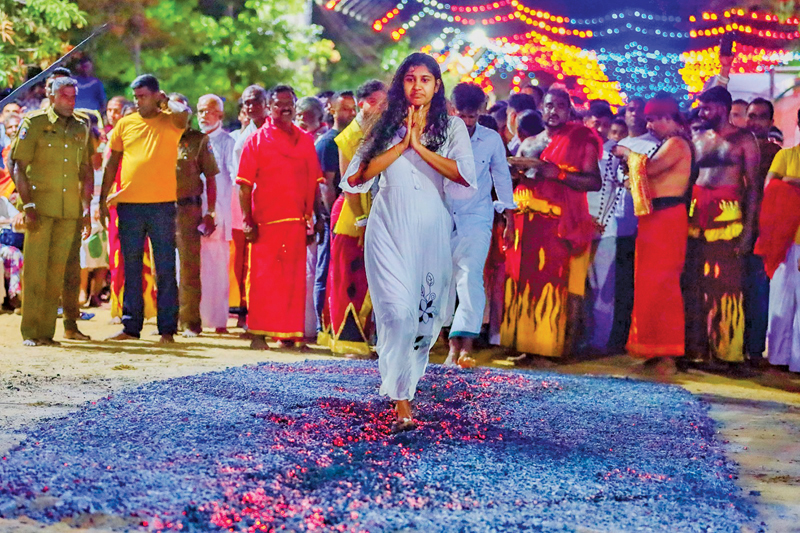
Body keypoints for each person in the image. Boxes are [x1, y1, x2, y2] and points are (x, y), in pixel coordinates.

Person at [341, 53, 476, 431]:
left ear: (436, 85)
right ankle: (402, 404)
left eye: (426, 79)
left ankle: (405, 386)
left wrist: (421, 149)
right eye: (410, 78)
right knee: (396, 313)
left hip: (430, 228)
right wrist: (401, 145)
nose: (417, 86)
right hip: (388, 225)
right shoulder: (384, 125)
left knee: (420, 319)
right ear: (401, 83)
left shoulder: (452, 128)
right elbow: (357, 176)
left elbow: (464, 175)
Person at [504, 88, 601, 363]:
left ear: (569, 111)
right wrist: (514, 171)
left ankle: (550, 349)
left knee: (554, 286)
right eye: (548, 105)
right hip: (527, 222)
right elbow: (515, 180)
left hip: (558, 223)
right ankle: (528, 347)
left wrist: (556, 173)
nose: (553, 111)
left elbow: (594, 181)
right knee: (526, 284)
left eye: (560, 106)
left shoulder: (581, 139)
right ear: (541, 108)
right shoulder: (530, 142)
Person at [100, 74, 190, 344]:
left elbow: (185, 114)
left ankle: (166, 329)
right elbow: (111, 163)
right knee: (131, 266)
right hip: (129, 206)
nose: (138, 102)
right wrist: (102, 198)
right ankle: (131, 326)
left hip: (162, 205)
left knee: (164, 268)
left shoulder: (171, 121)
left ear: (156, 95)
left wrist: (167, 101)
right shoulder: (125, 124)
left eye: (143, 96)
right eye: (136, 97)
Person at [236, 84, 323, 350]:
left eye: (289, 103)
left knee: (294, 281)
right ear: (270, 106)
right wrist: (247, 220)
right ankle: (259, 334)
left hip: (297, 222)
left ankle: (290, 335)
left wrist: (318, 217)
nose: (285, 108)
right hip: (265, 223)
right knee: (263, 280)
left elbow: (315, 182)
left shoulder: (306, 139)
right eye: (279, 103)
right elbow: (244, 185)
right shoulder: (257, 140)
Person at [613, 95, 693, 376]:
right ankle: (652, 348)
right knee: (648, 283)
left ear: (668, 118)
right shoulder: (667, 143)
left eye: (652, 119)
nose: (648, 124)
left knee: (663, 284)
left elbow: (648, 169)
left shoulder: (677, 143)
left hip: (667, 220)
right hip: (654, 219)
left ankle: (668, 352)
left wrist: (625, 153)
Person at [11, 77, 92, 346]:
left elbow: (85, 170)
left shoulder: (81, 127)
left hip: (69, 211)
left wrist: (85, 208)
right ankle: (31, 332)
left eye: (74, 96)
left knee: (56, 273)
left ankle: (47, 332)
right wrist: (28, 205)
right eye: (66, 96)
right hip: (40, 208)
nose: (71, 101)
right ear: (53, 96)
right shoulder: (34, 123)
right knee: (35, 271)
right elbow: (18, 166)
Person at [686, 86, 760, 369]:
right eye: (701, 107)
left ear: (723, 107)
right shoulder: (697, 136)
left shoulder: (745, 139)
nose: (703, 112)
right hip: (696, 215)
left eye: (708, 107)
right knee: (696, 283)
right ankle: (697, 350)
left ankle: (727, 352)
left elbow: (753, 188)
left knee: (727, 285)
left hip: (728, 216)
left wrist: (748, 231)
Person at [444, 82, 515, 368]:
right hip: (443, 215)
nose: (467, 122)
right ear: (452, 110)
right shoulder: (437, 136)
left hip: (478, 216)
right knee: (444, 279)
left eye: (472, 117)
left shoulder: (491, 139)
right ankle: (449, 344)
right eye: (462, 116)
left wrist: (509, 217)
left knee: (471, 276)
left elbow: (501, 176)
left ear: (482, 112)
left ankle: (465, 347)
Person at [318, 80, 387, 358]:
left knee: (368, 279)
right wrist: (362, 217)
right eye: (378, 103)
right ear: (364, 103)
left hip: (374, 213)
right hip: (352, 214)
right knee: (349, 276)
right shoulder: (348, 137)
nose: (384, 108)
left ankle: (363, 339)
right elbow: (349, 186)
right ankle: (348, 343)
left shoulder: (378, 134)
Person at [754, 107, 800, 373]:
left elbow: (781, 185)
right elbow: (771, 188)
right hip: (784, 240)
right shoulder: (786, 155)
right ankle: (778, 360)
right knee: (780, 300)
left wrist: (791, 182)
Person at [170, 93, 219, 337]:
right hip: (162, 209)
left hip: (189, 210)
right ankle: (168, 321)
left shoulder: (199, 140)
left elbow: (211, 177)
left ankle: (190, 322)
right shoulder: (159, 137)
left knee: (190, 269)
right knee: (164, 269)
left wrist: (211, 211)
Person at [313, 91, 357, 334]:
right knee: (325, 268)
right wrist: (330, 215)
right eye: (345, 108)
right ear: (331, 110)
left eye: (353, 109)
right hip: (335, 214)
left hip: (348, 213)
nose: (350, 113)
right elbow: (325, 184)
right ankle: (322, 324)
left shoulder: (353, 138)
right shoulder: (329, 142)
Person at [743, 98, 782, 367]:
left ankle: (755, 351)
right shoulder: (734, 147)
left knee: (758, 291)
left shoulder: (775, 154)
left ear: (770, 122)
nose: (755, 121)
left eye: (761, 117)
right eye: (751, 116)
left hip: (763, 231)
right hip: (732, 225)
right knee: (735, 289)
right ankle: (732, 347)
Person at [231, 85, 269, 330]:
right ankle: (247, 313)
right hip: (248, 204)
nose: (251, 107)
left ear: (266, 102)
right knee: (246, 263)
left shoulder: (274, 131)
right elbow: (240, 179)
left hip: (273, 205)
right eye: (247, 103)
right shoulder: (245, 136)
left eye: (256, 101)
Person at [197, 94, 235, 333]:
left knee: (217, 269)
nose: (203, 116)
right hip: (192, 212)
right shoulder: (191, 140)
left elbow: (234, 180)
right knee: (192, 268)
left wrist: (220, 215)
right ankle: (192, 319)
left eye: (209, 111)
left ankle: (218, 322)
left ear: (220, 115)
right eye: (200, 111)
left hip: (218, 214)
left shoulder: (226, 142)